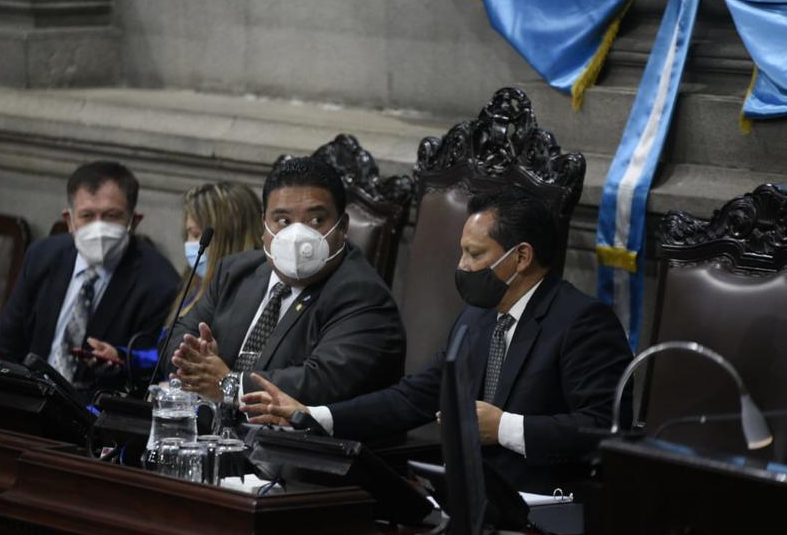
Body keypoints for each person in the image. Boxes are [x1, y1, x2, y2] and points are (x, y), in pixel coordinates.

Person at [241, 186, 633, 494]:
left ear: (522, 257)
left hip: (548, 501)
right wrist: (311, 415)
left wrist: (505, 428)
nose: (461, 266)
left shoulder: (582, 322)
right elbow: (415, 396)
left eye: (474, 254)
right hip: (469, 497)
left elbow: (602, 429)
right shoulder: (477, 317)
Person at [162, 156, 406, 407]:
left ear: (342, 226)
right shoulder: (235, 271)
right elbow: (179, 334)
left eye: (316, 221)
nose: (297, 235)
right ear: (264, 224)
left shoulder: (363, 294)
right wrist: (195, 357)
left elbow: (322, 381)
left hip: (297, 443)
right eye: (283, 221)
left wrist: (228, 384)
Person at [0, 161, 180, 392]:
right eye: (87, 216)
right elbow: (6, 343)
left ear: (134, 221)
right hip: (26, 398)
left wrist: (117, 362)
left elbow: (148, 373)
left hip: (93, 415)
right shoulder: (42, 257)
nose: (98, 227)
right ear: (69, 220)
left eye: (111, 216)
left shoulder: (159, 283)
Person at [86, 181, 263, 382]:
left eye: (197, 235)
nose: (191, 243)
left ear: (229, 236)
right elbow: (170, 351)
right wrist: (123, 357)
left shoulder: (248, 298)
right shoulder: (193, 286)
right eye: (188, 234)